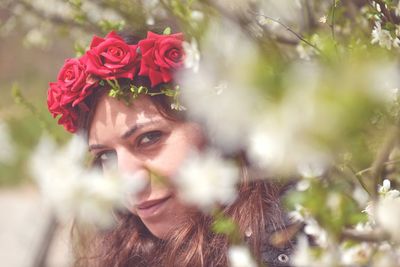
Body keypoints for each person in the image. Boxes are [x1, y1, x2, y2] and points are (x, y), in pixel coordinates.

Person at [47, 28, 296, 267]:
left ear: (215, 127)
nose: (127, 180)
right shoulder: (125, 249)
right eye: (105, 156)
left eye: (148, 139)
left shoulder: (296, 232)